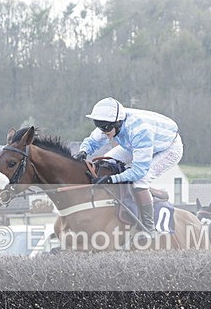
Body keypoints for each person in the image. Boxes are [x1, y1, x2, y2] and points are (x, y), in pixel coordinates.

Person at [74, 97, 183, 235]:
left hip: (169, 149)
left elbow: (138, 171)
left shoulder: (139, 130)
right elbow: (93, 141)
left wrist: (111, 180)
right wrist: (83, 152)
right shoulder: (109, 123)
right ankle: (144, 197)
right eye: (99, 126)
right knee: (107, 163)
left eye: (106, 128)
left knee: (140, 180)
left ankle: (149, 229)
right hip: (134, 145)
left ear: (118, 123)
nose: (103, 132)